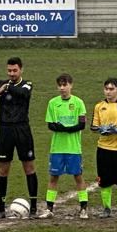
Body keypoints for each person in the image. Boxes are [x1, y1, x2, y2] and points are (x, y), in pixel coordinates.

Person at [0, 57, 39, 218]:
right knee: (3, 169)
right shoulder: (2, 83)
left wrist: (4, 89)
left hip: (22, 129)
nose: (11, 73)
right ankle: (1, 207)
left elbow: (23, 93)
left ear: (21, 70)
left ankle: (34, 208)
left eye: (14, 70)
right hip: (5, 130)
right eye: (9, 70)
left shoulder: (27, 84)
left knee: (29, 167)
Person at [42, 74, 90, 219]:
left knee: (78, 176)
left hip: (73, 148)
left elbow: (82, 124)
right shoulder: (52, 103)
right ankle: (49, 209)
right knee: (53, 177)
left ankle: (83, 208)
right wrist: (61, 127)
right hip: (57, 148)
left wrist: (65, 128)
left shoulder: (78, 103)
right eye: (60, 85)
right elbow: (50, 124)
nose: (62, 88)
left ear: (71, 85)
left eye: (65, 85)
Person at [91, 77, 117, 219]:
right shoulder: (99, 106)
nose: (108, 92)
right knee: (105, 180)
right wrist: (101, 129)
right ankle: (106, 209)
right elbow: (93, 126)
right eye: (106, 89)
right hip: (103, 148)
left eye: (111, 89)